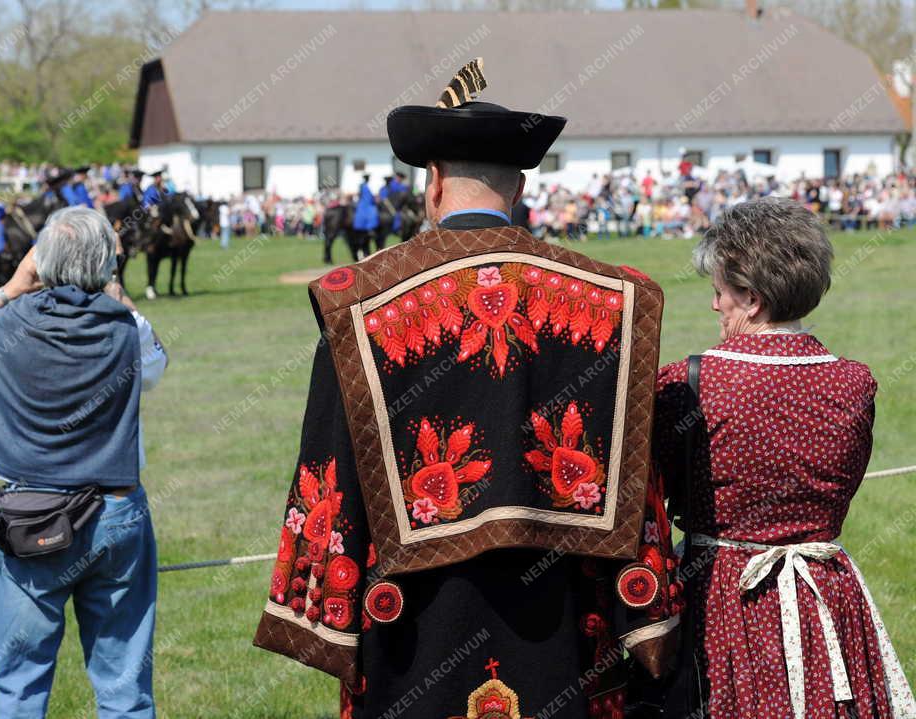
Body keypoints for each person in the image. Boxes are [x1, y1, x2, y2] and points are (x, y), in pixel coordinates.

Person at [253, 59, 680, 719]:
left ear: (434, 182)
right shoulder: (617, 299)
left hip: (412, 617)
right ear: (519, 188)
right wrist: (646, 606)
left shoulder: (361, 300)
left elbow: (329, 464)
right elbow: (639, 479)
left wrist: (320, 607)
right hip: (562, 608)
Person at [654, 197, 916, 719]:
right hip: (828, 592)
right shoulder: (854, 383)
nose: (713, 306)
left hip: (725, 596)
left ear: (750, 298)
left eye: (719, 291)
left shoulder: (688, 383)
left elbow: (656, 493)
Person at [0, 207, 168, 719]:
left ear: (40, 262)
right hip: (116, 513)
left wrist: (10, 289)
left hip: (30, 514)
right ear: (107, 265)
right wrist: (112, 286)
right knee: (125, 686)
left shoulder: (3, 331)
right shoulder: (128, 331)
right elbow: (158, 364)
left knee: (18, 687)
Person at [351, 173, 378, 253]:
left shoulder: (363, 185)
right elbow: (369, 197)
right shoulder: (364, 186)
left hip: (363, 202)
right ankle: (370, 229)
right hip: (366, 203)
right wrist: (374, 200)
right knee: (372, 213)